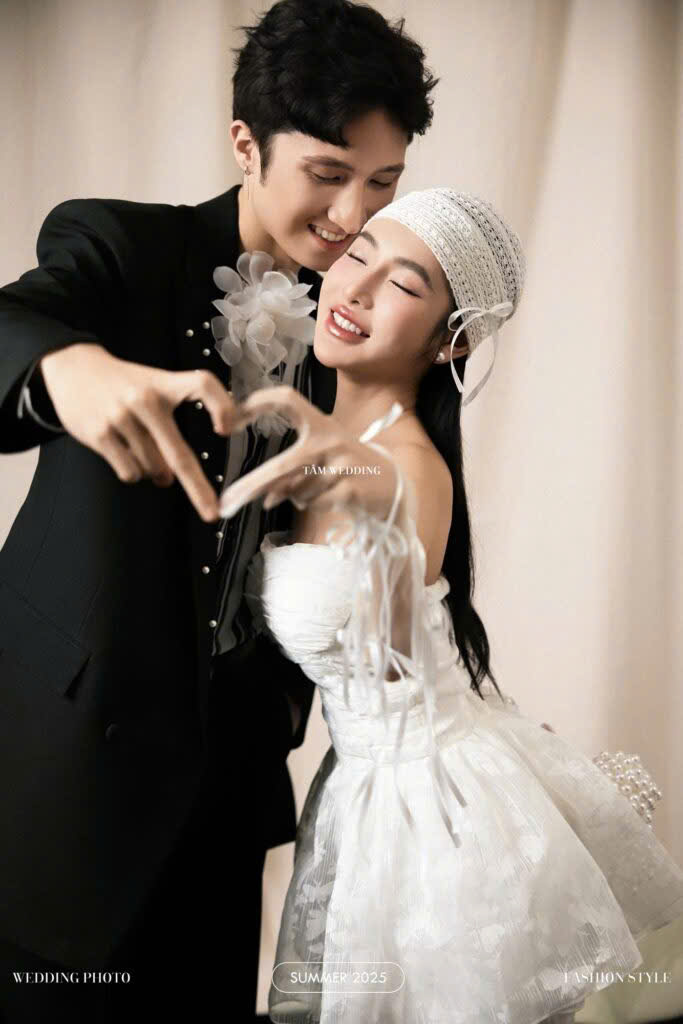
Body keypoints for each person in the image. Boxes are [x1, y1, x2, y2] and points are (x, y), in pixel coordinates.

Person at [0, 1, 437, 1019]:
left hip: (226, 797)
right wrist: (70, 369)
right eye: (328, 173)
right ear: (246, 144)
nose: (352, 216)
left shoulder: (351, 323)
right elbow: (11, 321)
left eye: (381, 183)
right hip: (62, 779)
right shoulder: (123, 246)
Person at [217, 188, 683, 1023]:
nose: (356, 291)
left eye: (402, 284)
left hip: (429, 811)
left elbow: (396, 648)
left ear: (452, 341)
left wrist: (370, 502)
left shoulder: (407, 468)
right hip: (359, 791)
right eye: (357, 257)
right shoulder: (315, 440)